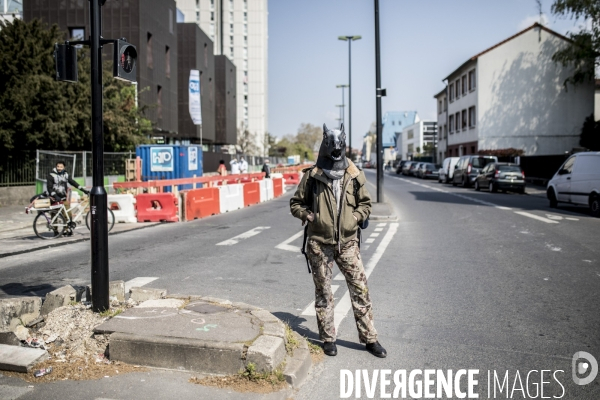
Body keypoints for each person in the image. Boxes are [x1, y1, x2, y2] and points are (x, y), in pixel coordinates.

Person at [290, 123, 386, 358]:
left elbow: (366, 204)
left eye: (338, 145)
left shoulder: (353, 174)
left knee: (360, 289)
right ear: (325, 144)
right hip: (319, 244)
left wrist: (355, 217)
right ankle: (328, 339)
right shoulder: (313, 175)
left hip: (348, 243)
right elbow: (295, 203)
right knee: (324, 293)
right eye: (331, 144)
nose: (335, 149)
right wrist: (309, 215)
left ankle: (370, 339)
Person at [46, 161, 89, 236]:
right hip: (54, 199)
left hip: (63, 198)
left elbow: (73, 183)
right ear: (56, 167)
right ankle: (55, 231)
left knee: (68, 214)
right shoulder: (51, 175)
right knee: (54, 214)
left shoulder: (65, 175)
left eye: (61, 167)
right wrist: (55, 196)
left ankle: (67, 229)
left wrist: (84, 190)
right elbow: (49, 188)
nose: (59, 168)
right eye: (58, 166)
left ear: (64, 167)